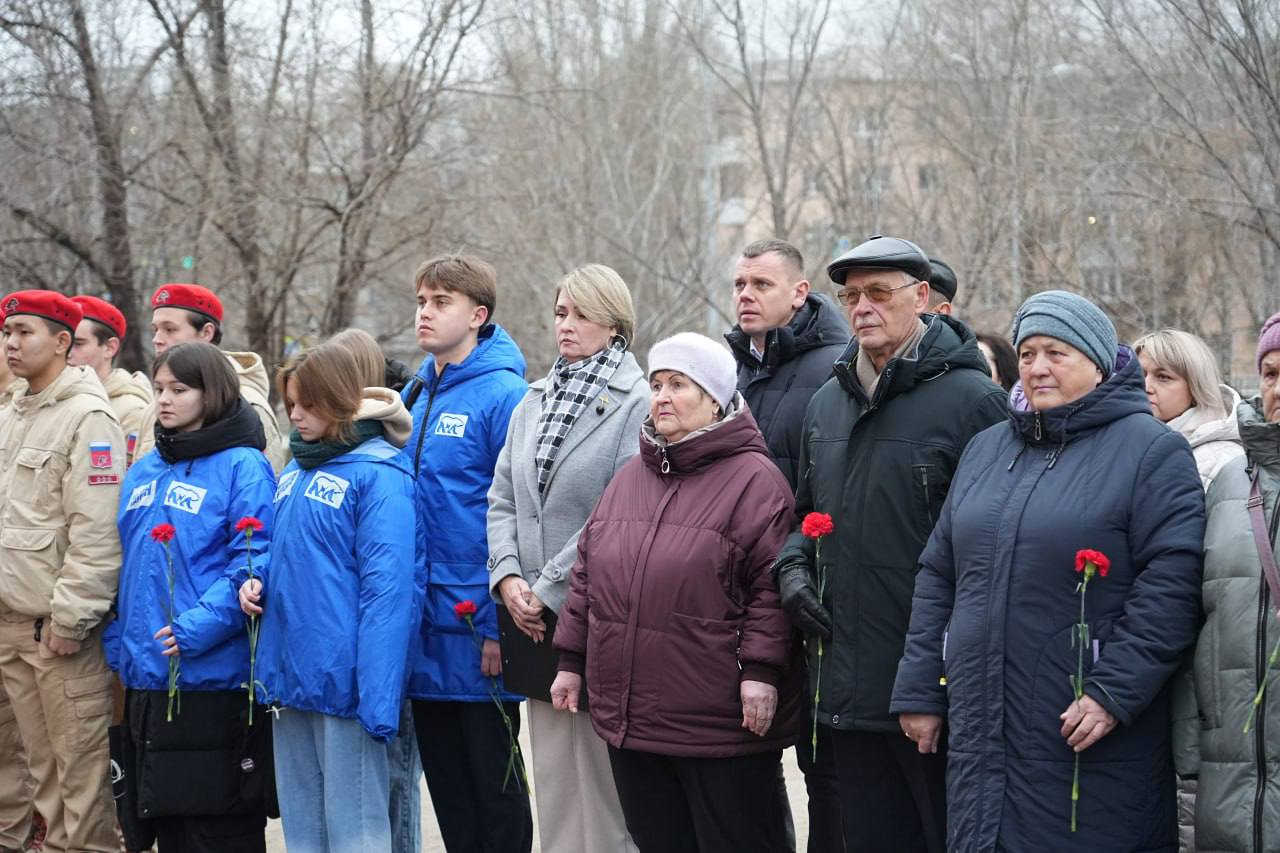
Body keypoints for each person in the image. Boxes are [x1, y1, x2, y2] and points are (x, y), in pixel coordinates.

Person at [891, 290, 1206, 851]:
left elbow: (1172, 586)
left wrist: (1113, 692)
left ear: (1098, 361)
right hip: (981, 727)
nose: (1037, 367)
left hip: (1083, 728)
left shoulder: (1150, 451)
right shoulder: (988, 449)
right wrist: (920, 685)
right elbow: (939, 571)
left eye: (1056, 352)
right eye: (1028, 352)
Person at [770, 235, 1007, 852]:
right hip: (842, 684)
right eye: (851, 296)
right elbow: (806, 514)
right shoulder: (828, 403)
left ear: (923, 298)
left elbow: (990, 551)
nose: (862, 307)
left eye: (879, 292)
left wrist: (935, 682)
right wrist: (792, 569)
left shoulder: (973, 402)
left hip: (932, 691)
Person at [550, 332, 802, 852]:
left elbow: (770, 590)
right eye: (657, 383)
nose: (661, 396)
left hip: (717, 725)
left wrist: (761, 672)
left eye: (678, 385)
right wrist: (571, 660)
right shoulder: (630, 476)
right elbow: (587, 574)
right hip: (634, 719)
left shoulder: (756, 481)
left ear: (714, 399)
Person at [487, 264, 645, 853]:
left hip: (593, 614)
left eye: (581, 314)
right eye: (560, 313)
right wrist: (507, 578)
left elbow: (618, 511)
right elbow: (501, 496)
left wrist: (546, 587)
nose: (566, 326)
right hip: (526, 615)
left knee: (602, 785)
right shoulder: (533, 399)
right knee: (553, 780)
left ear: (614, 324)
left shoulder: (638, 402)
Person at [240, 341, 420, 853]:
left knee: (356, 831)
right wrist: (259, 583)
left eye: (306, 404)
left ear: (339, 399)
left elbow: (389, 594)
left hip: (347, 687)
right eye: (290, 404)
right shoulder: (296, 468)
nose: (295, 416)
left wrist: (378, 697)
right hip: (291, 676)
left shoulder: (381, 473)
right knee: (303, 830)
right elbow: (291, 554)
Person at [106, 341, 275, 852]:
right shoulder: (147, 469)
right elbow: (126, 564)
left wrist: (196, 628)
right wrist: (118, 642)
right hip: (144, 679)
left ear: (213, 392)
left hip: (208, 678)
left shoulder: (243, 465)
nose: (164, 400)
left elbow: (255, 558)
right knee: (162, 829)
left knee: (213, 831)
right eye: (158, 389)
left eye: (179, 389)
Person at [401, 255, 533, 852]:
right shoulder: (415, 392)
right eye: (422, 301)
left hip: (476, 626)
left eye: (441, 302)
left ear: (477, 315)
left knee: (496, 792)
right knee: (449, 794)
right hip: (421, 627)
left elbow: (517, 512)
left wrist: (496, 623)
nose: (425, 313)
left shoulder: (504, 395)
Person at [723, 238, 848, 851]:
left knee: (825, 768)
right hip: (740, 595)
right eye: (740, 284)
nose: (746, 296)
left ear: (800, 293)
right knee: (748, 757)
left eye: (761, 285)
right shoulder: (732, 370)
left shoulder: (836, 366)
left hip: (812, 593)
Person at [0, 290, 124, 853]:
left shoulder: (88, 417)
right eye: (7, 332)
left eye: (24, 331)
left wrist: (71, 620)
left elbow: (96, 532)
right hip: (8, 622)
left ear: (63, 342)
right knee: (32, 775)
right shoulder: (11, 412)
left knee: (79, 780)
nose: (11, 342)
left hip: (53, 633)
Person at [1174, 310, 1280, 852]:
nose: (1278, 388)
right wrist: (1190, 763)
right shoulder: (1230, 479)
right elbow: (1197, 621)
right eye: (1271, 373)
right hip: (1228, 782)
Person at [329, 326, 423, 853]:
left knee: (393, 777)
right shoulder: (320, 452)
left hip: (388, 643)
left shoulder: (384, 457)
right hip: (347, 649)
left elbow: (389, 580)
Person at [134, 284, 288, 471]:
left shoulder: (244, 405)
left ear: (207, 333)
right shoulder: (157, 406)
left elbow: (263, 485)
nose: (156, 339)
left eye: (170, 329)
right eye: (155, 329)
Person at [1135, 329, 1243, 488]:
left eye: (1163, 377)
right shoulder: (1123, 443)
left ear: (1196, 386)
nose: (1146, 386)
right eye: (1139, 375)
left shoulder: (1223, 461)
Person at [69, 294, 153, 465]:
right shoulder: (56, 397)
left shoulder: (131, 411)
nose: (68, 353)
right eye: (63, 342)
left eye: (78, 344)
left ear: (109, 348)